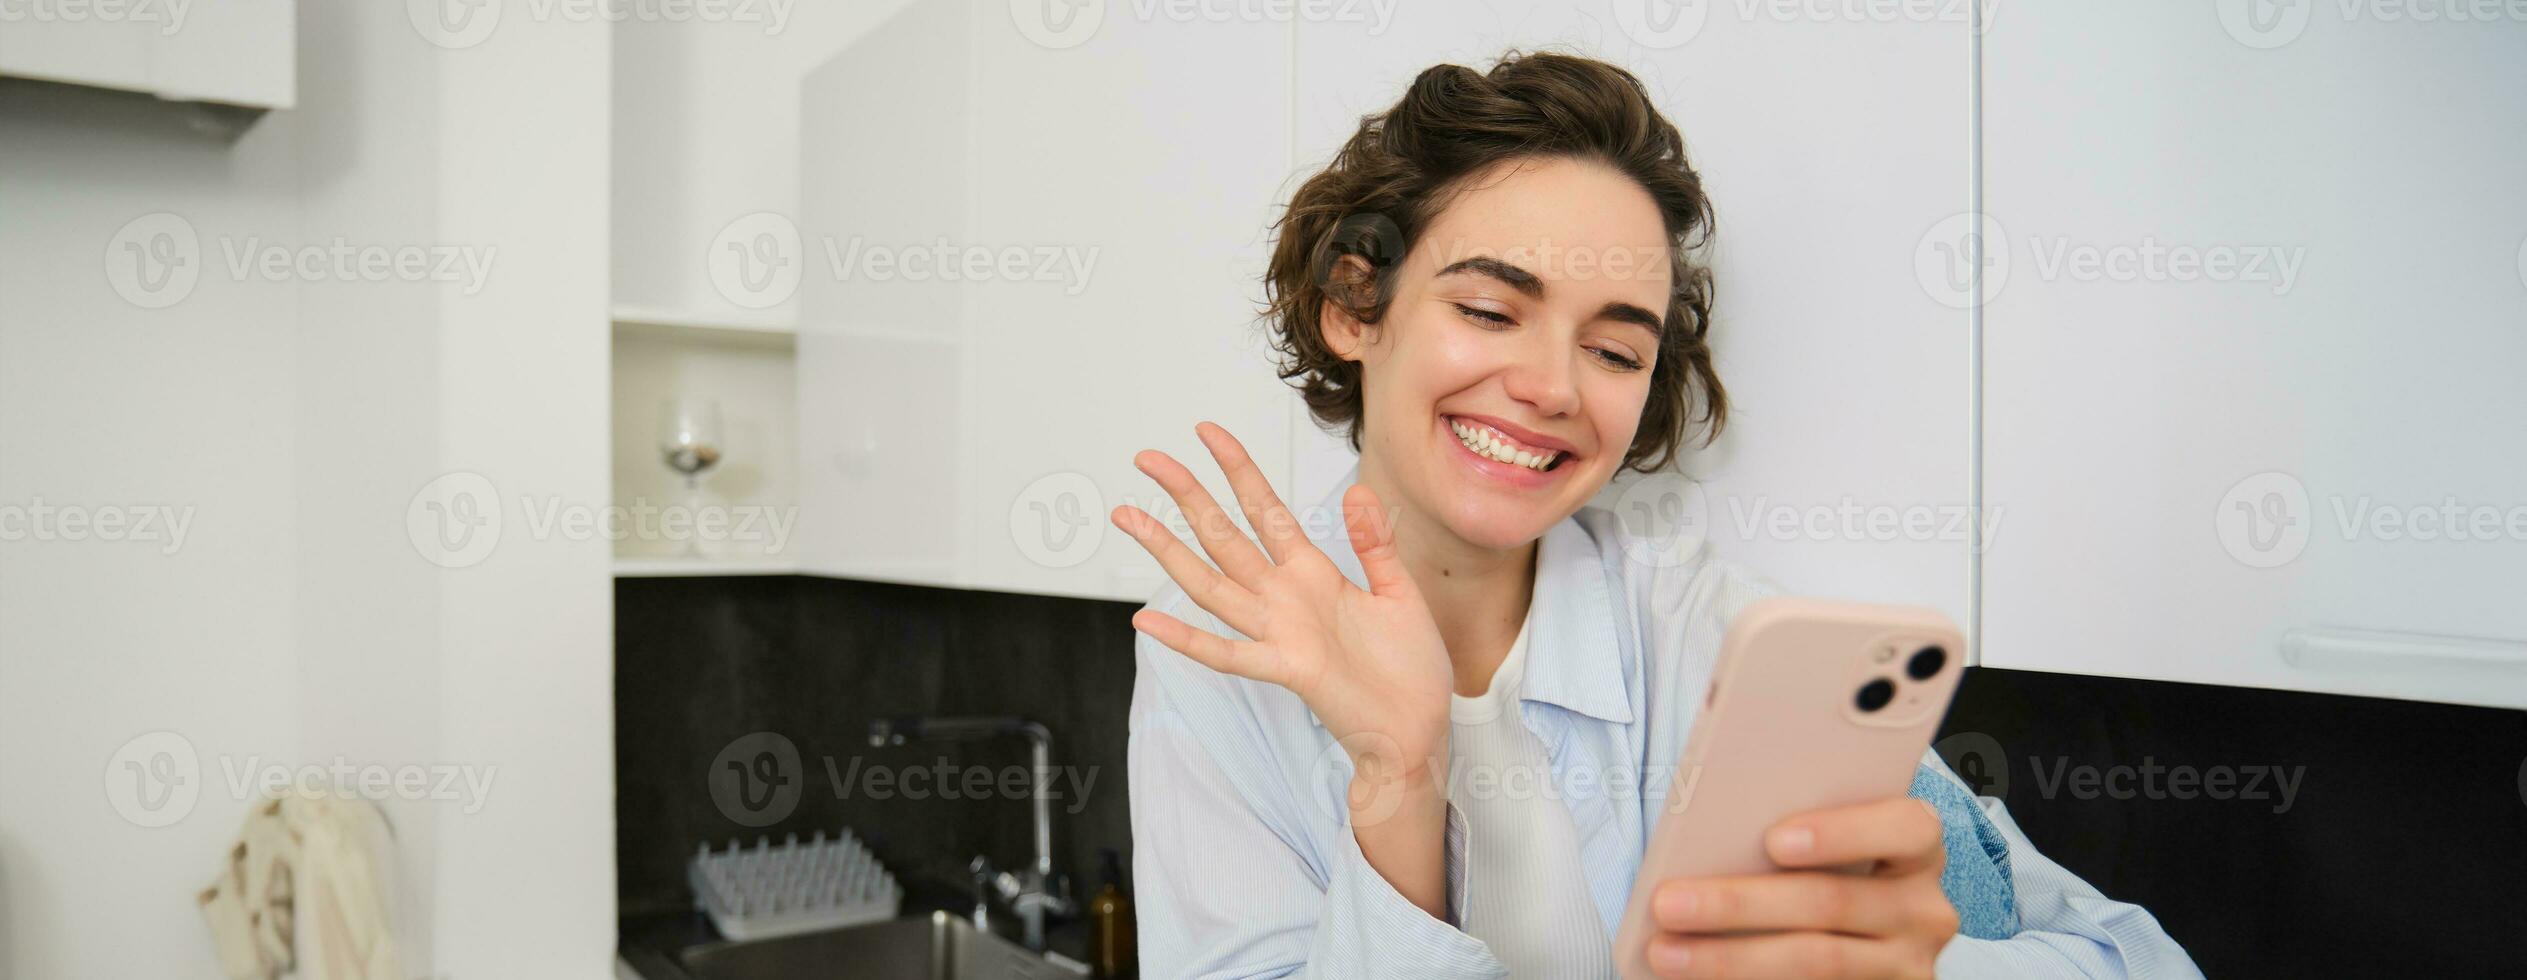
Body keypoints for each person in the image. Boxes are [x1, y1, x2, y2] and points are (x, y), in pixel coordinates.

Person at [1116, 51, 2200, 979]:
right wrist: (1400, 783)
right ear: (1355, 308)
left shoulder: (1712, 637)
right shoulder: (1223, 655)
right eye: (1491, 308)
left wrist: (1915, 962)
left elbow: (2138, 958)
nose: (1552, 385)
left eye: (1614, 348)